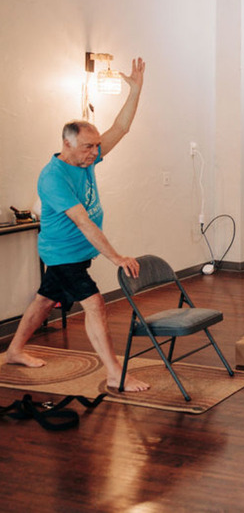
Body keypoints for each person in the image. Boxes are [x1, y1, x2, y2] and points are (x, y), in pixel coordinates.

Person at [2, 58, 149, 393]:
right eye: (88, 147)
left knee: (44, 301)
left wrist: (135, 90)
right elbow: (83, 222)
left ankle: (13, 350)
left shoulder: (86, 160)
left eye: (96, 146)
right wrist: (116, 257)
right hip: (62, 253)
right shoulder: (53, 177)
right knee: (95, 303)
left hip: (75, 253)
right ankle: (114, 373)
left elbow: (120, 128)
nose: (95, 153)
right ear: (67, 144)